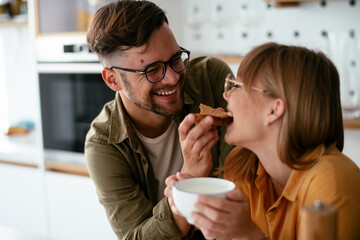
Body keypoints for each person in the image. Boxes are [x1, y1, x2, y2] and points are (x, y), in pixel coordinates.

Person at [165, 42, 360, 239]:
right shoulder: (241, 168)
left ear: (273, 110)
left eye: (237, 86)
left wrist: (250, 234)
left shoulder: (333, 182)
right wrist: (194, 200)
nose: (225, 94)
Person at [84, 1, 234, 239]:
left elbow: (244, 188)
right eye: (152, 70)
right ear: (113, 80)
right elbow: (136, 236)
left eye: (176, 58)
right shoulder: (104, 145)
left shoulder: (210, 79)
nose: (173, 78)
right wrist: (191, 179)